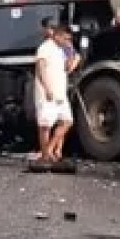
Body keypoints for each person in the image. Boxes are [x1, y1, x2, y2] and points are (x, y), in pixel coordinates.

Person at [32, 22, 73, 163]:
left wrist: (70, 53)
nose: (67, 41)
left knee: (67, 121)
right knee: (45, 125)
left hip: (60, 92)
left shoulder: (61, 50)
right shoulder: (44, 48)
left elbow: (67, 68)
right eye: (66, 39)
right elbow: (41, 69)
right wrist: (48, 88)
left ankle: (49, 149)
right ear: (57, 36)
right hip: (47, 93)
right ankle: (45, 154)